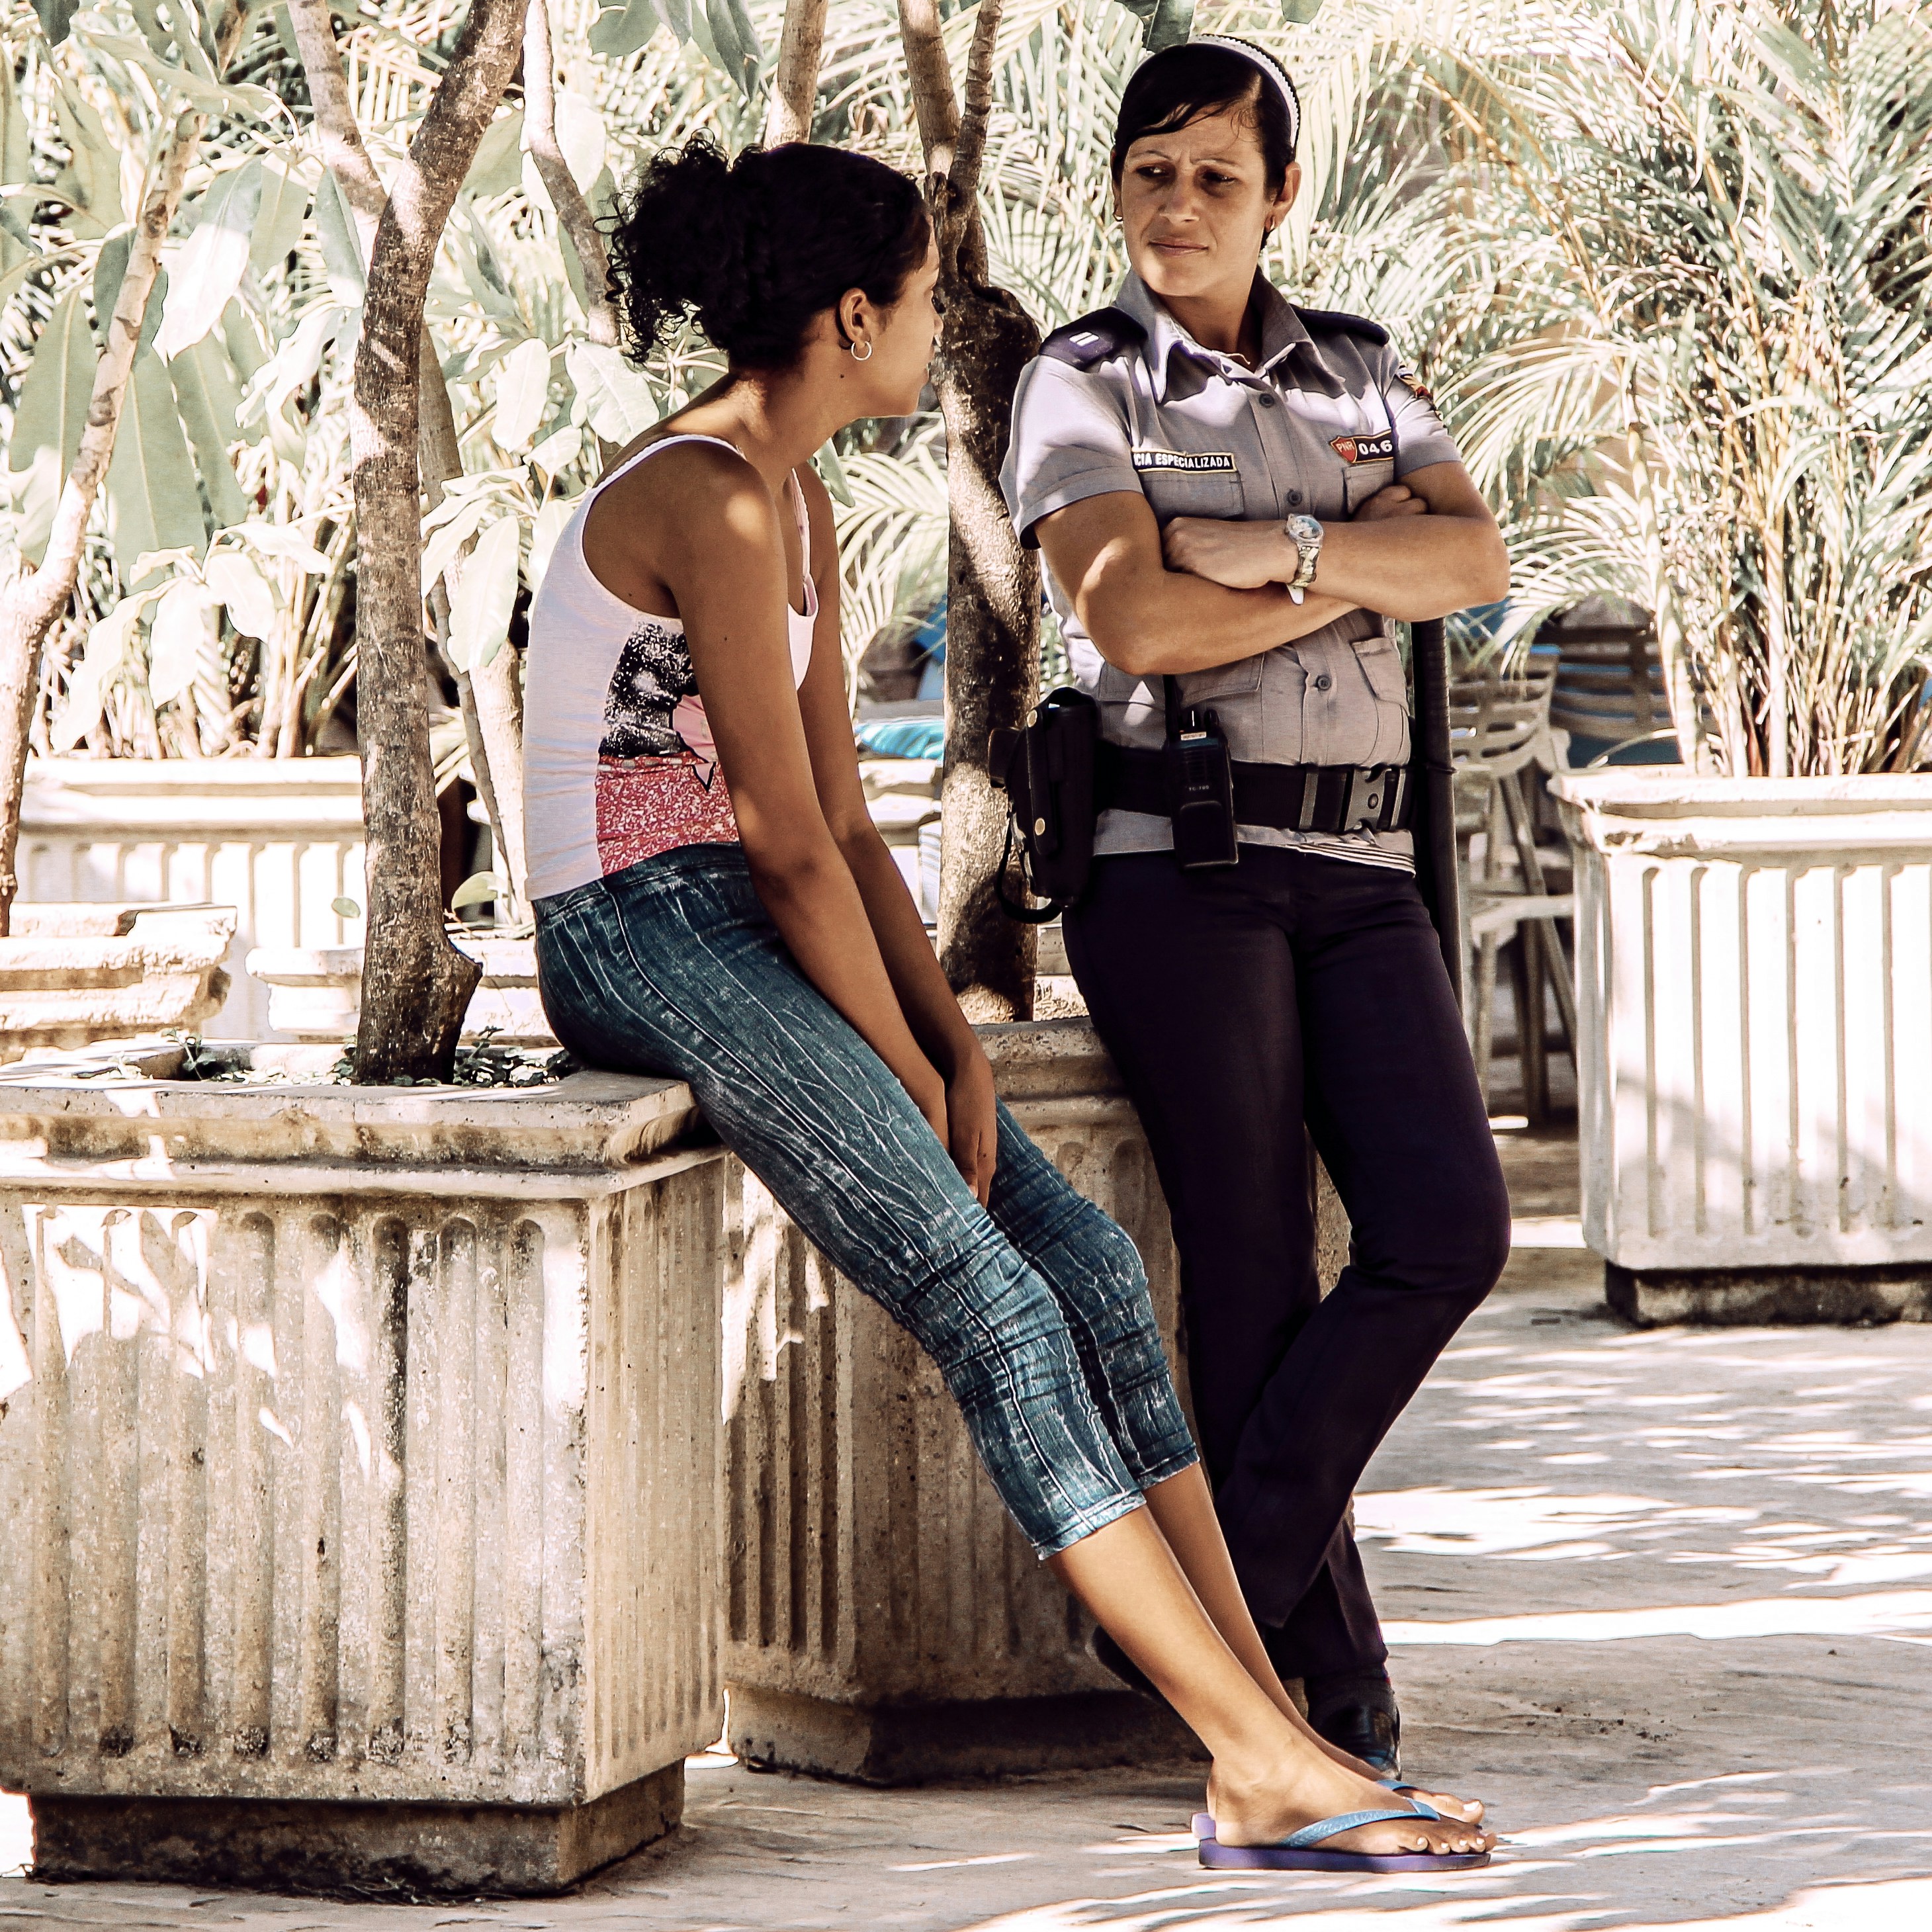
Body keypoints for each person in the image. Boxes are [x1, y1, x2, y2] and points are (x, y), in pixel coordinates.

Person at [523, 134, 1493, 1870]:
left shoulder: (793, 494)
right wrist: (906, 1064)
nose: (932, 323)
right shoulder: (706, 494)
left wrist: (958, 1049)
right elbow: (778, 846)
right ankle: (1259, 1760)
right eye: (915, 294)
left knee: (1098, 1271)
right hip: (636, 932)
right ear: (847, 313)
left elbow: (842, 826)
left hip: (754, 916)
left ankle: (1268, 1732)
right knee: (998, 1301)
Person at [1002, 37, 1515, 1778]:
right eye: (1151, 171)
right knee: (1249, 1280)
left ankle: (1205, 1590)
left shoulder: (1364, 374)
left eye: (1217, 175)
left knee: (1449, 1229)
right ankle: (1328, 1699)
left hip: (1361, 876)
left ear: (1280, 193)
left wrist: (1276, 557)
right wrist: (1346, 563)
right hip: (1178, 870)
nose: (1178, 204)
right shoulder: (1078, 383)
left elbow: (1474, 563)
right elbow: (1133, 624)